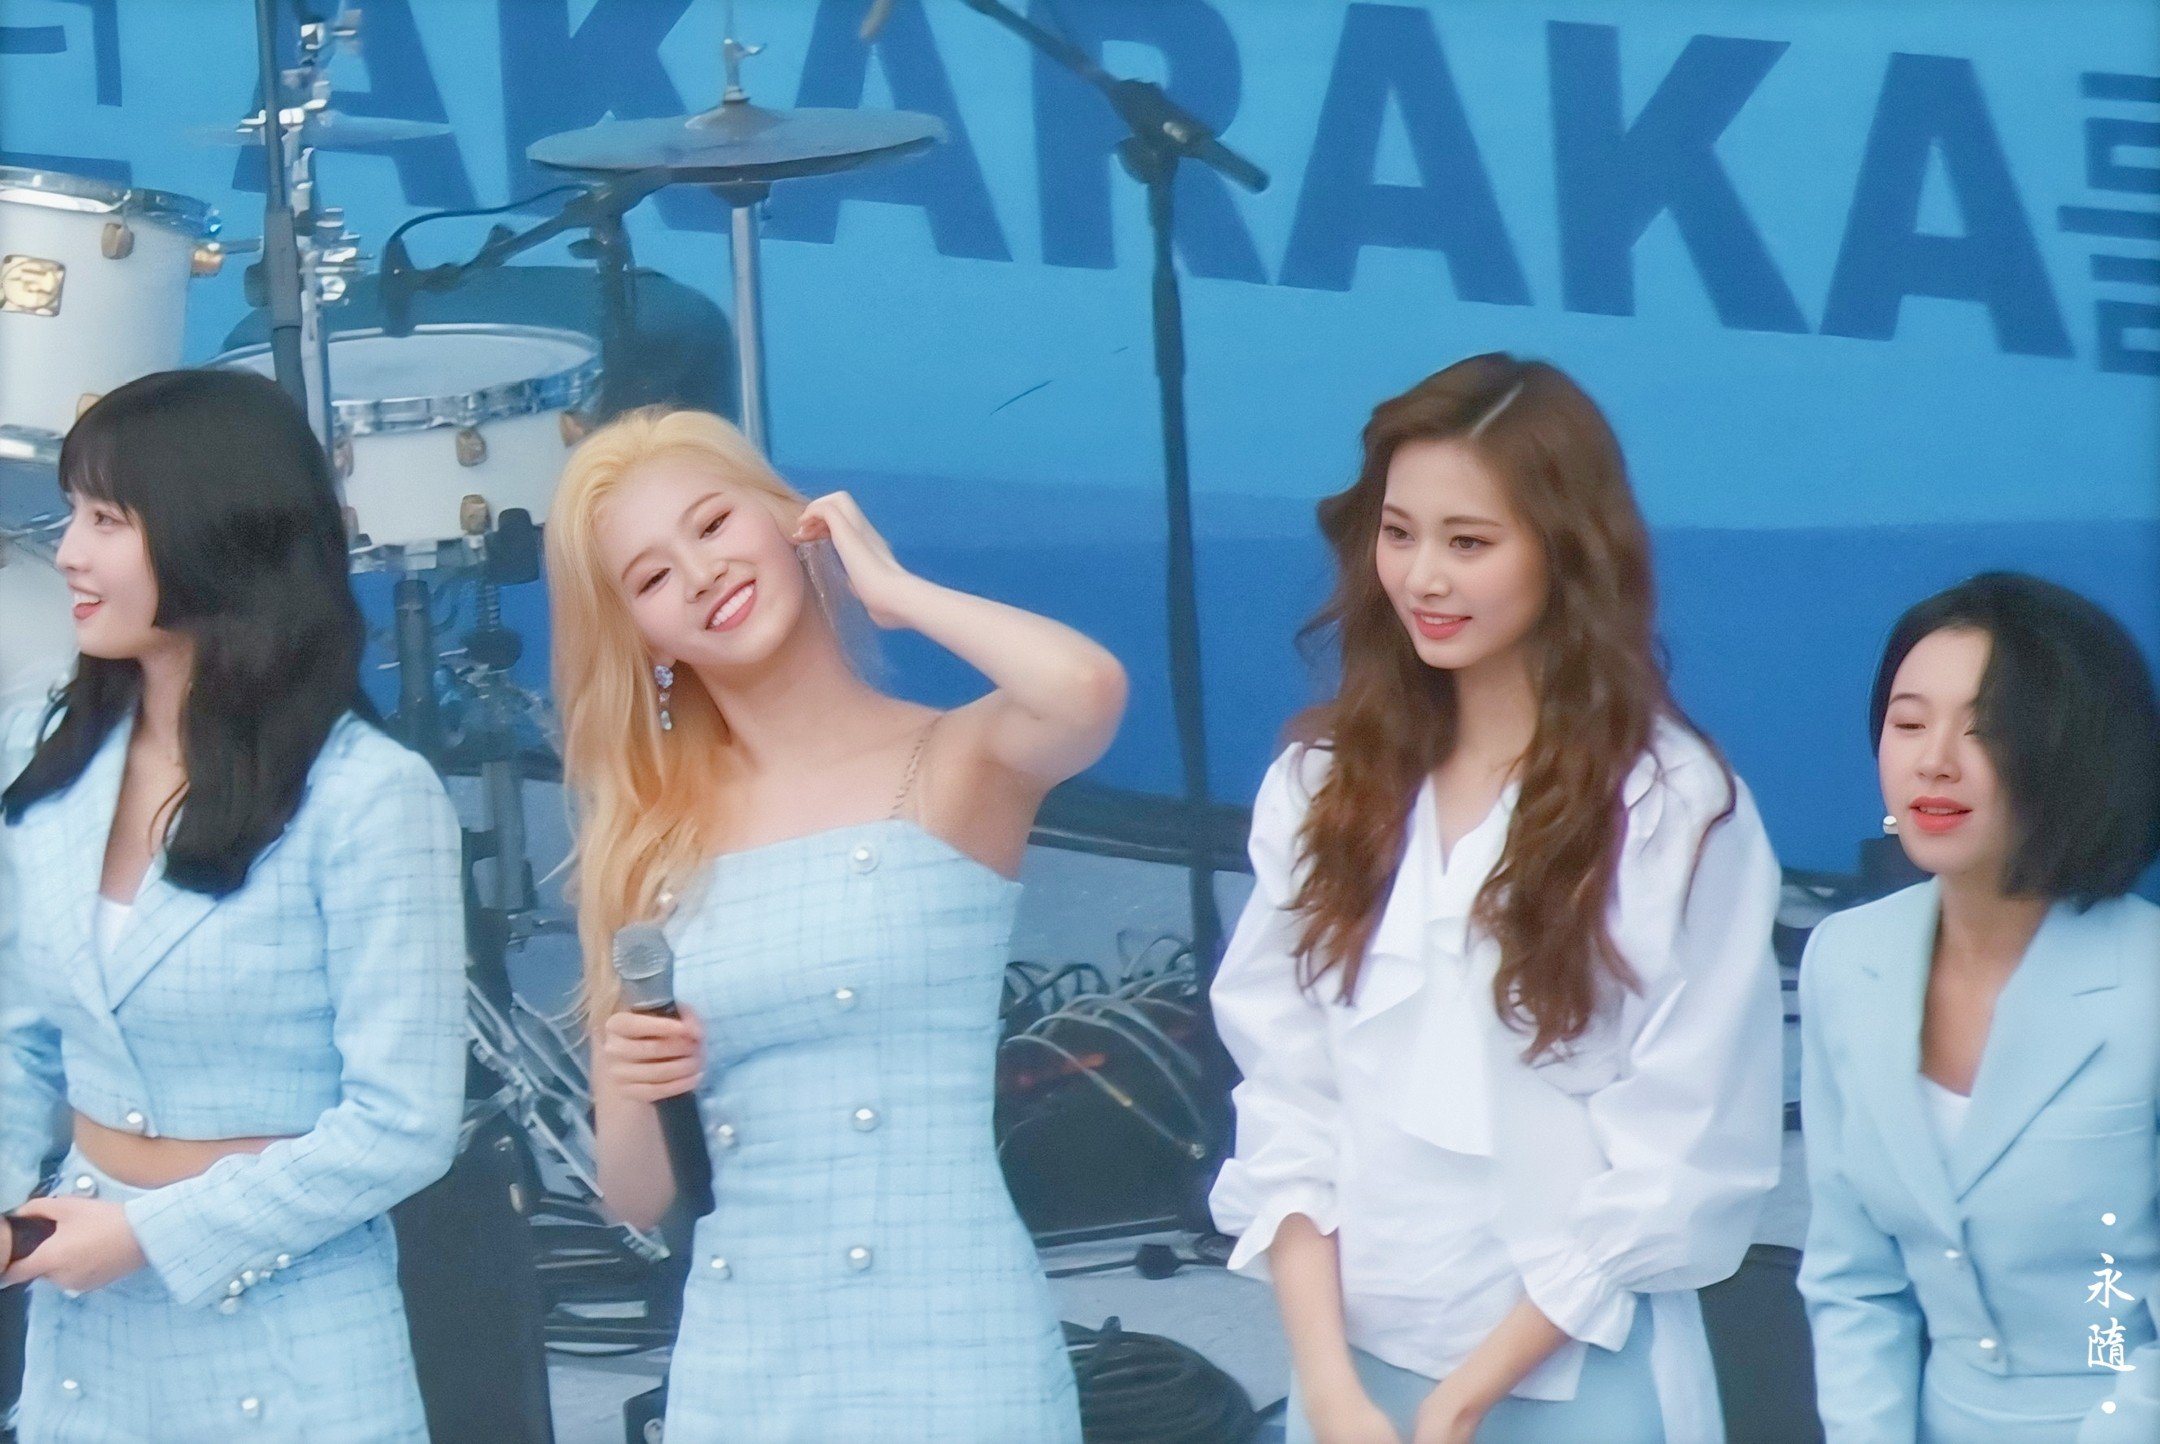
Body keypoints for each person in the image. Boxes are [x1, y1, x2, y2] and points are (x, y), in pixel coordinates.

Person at [1209, 354, 1785, 1444]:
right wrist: (1328, 1390)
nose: (1423, 577)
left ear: (1567, 551)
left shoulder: (1671, 808)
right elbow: (1289, 1099)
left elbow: (1686, 1151)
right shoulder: (1320, 786)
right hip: (1349, 1380)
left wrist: (1464, 1399)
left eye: (1469, 542)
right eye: (1398, 533)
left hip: (1583, 1372)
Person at [544, 406, 1127, 1442]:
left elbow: (1085, 690)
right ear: (642, 637)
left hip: (954, 1338)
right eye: (652, 576)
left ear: (793, 520)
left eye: (714, 523)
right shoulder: (645, 843)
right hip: (747, 1359)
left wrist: (896, 592)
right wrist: (634, 1080)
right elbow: (634, 1197)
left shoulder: (953, 760)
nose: (702, 573)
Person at [0, 369, 466, 1442]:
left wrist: (147, 1235)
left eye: (106, 520)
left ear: (215, 532)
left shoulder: (369, 796)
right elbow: (22, 1036)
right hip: (86, 1331)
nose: (65, 553)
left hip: (289, 1331)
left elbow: (402, 1125)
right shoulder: (44, 745)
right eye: (71, 515)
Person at [1798, 572, 2160, 1443]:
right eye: (1909, 723)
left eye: (1986, 728)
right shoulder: (1846, 960)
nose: (1935, 760)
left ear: (2074, 753)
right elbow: (1854, 1283)